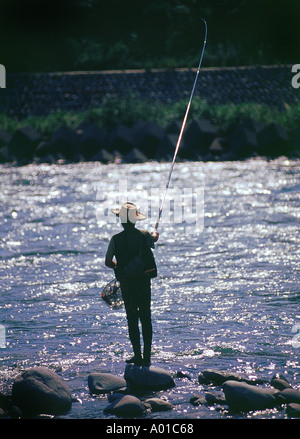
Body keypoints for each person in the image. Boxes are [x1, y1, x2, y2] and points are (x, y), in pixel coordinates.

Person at [105, 202, 159, 366]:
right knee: (146, 318)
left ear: (121, 220)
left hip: (127, 284)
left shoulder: (115, 239)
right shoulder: (144, 235)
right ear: (135, 220)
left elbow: (108, 262)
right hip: (143, 282)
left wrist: (121, 268)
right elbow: (154, 237)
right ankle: (147, 357)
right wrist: (155, 232)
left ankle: (137, 356)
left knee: (132, 319)